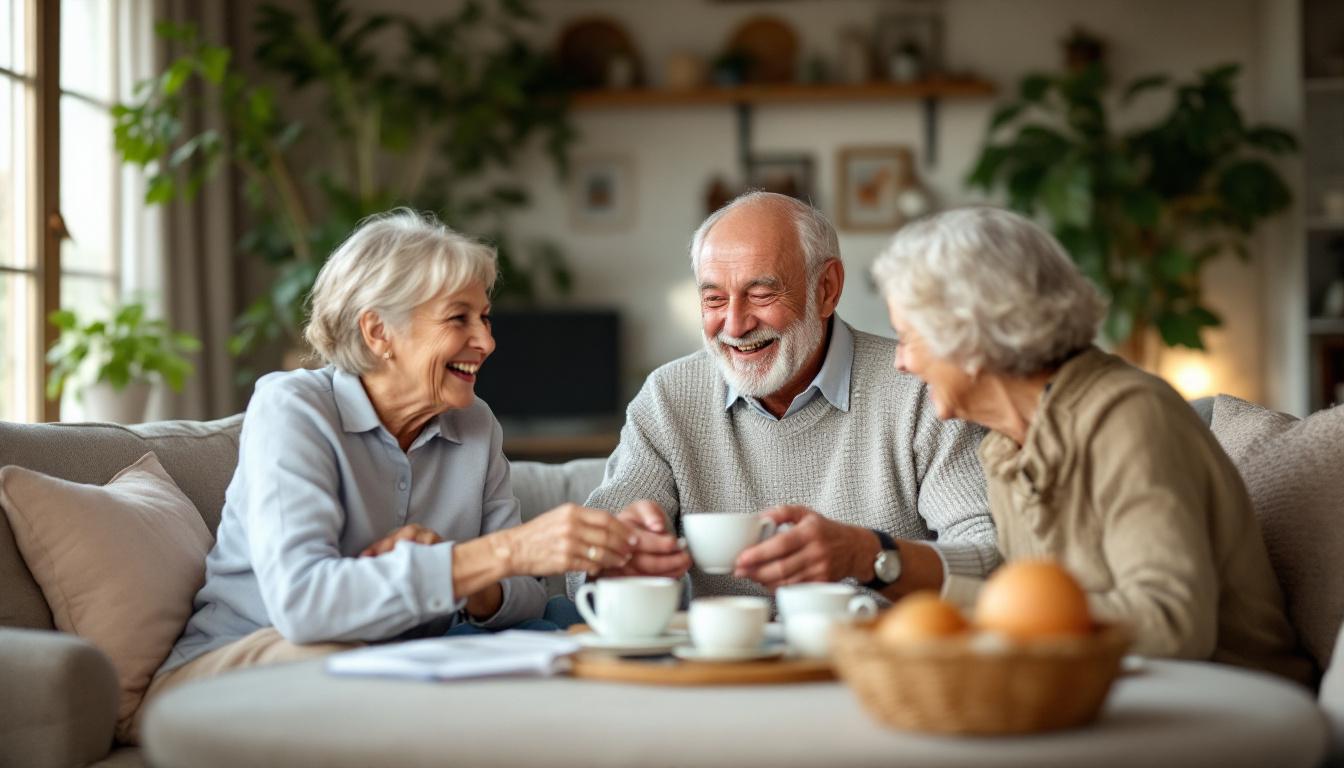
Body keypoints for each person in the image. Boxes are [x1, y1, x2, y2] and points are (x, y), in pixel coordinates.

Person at [137, 210, 641, 728]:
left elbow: (526, 596)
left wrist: (468, 574)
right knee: (370, 681)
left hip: (402, 658)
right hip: (249, 657)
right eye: (458, 318)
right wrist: (493, 554)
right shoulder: (294, 409)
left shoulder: (474, 425)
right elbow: (303, 606)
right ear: (379, 331)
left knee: (565, 640)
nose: (487, 342)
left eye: (484, 317)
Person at [871, 205, 1311, 683]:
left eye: (907, 338)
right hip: (1109, 690)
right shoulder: (1005, 444)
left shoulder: (1128, 418)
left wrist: (975, 615)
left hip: (1224, 699)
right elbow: (1040, 602)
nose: (902, 363)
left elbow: (1172, 625)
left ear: (968, 338)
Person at [571, 191, 997, 605]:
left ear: (827, 289)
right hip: (723, 667)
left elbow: (992, 564)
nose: (734, 326)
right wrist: (612, 557)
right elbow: (580, 572)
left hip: (877, 662)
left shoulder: (920, 391)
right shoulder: (669, 397)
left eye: (761, 294)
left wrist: (867, 555)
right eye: (714, 298)